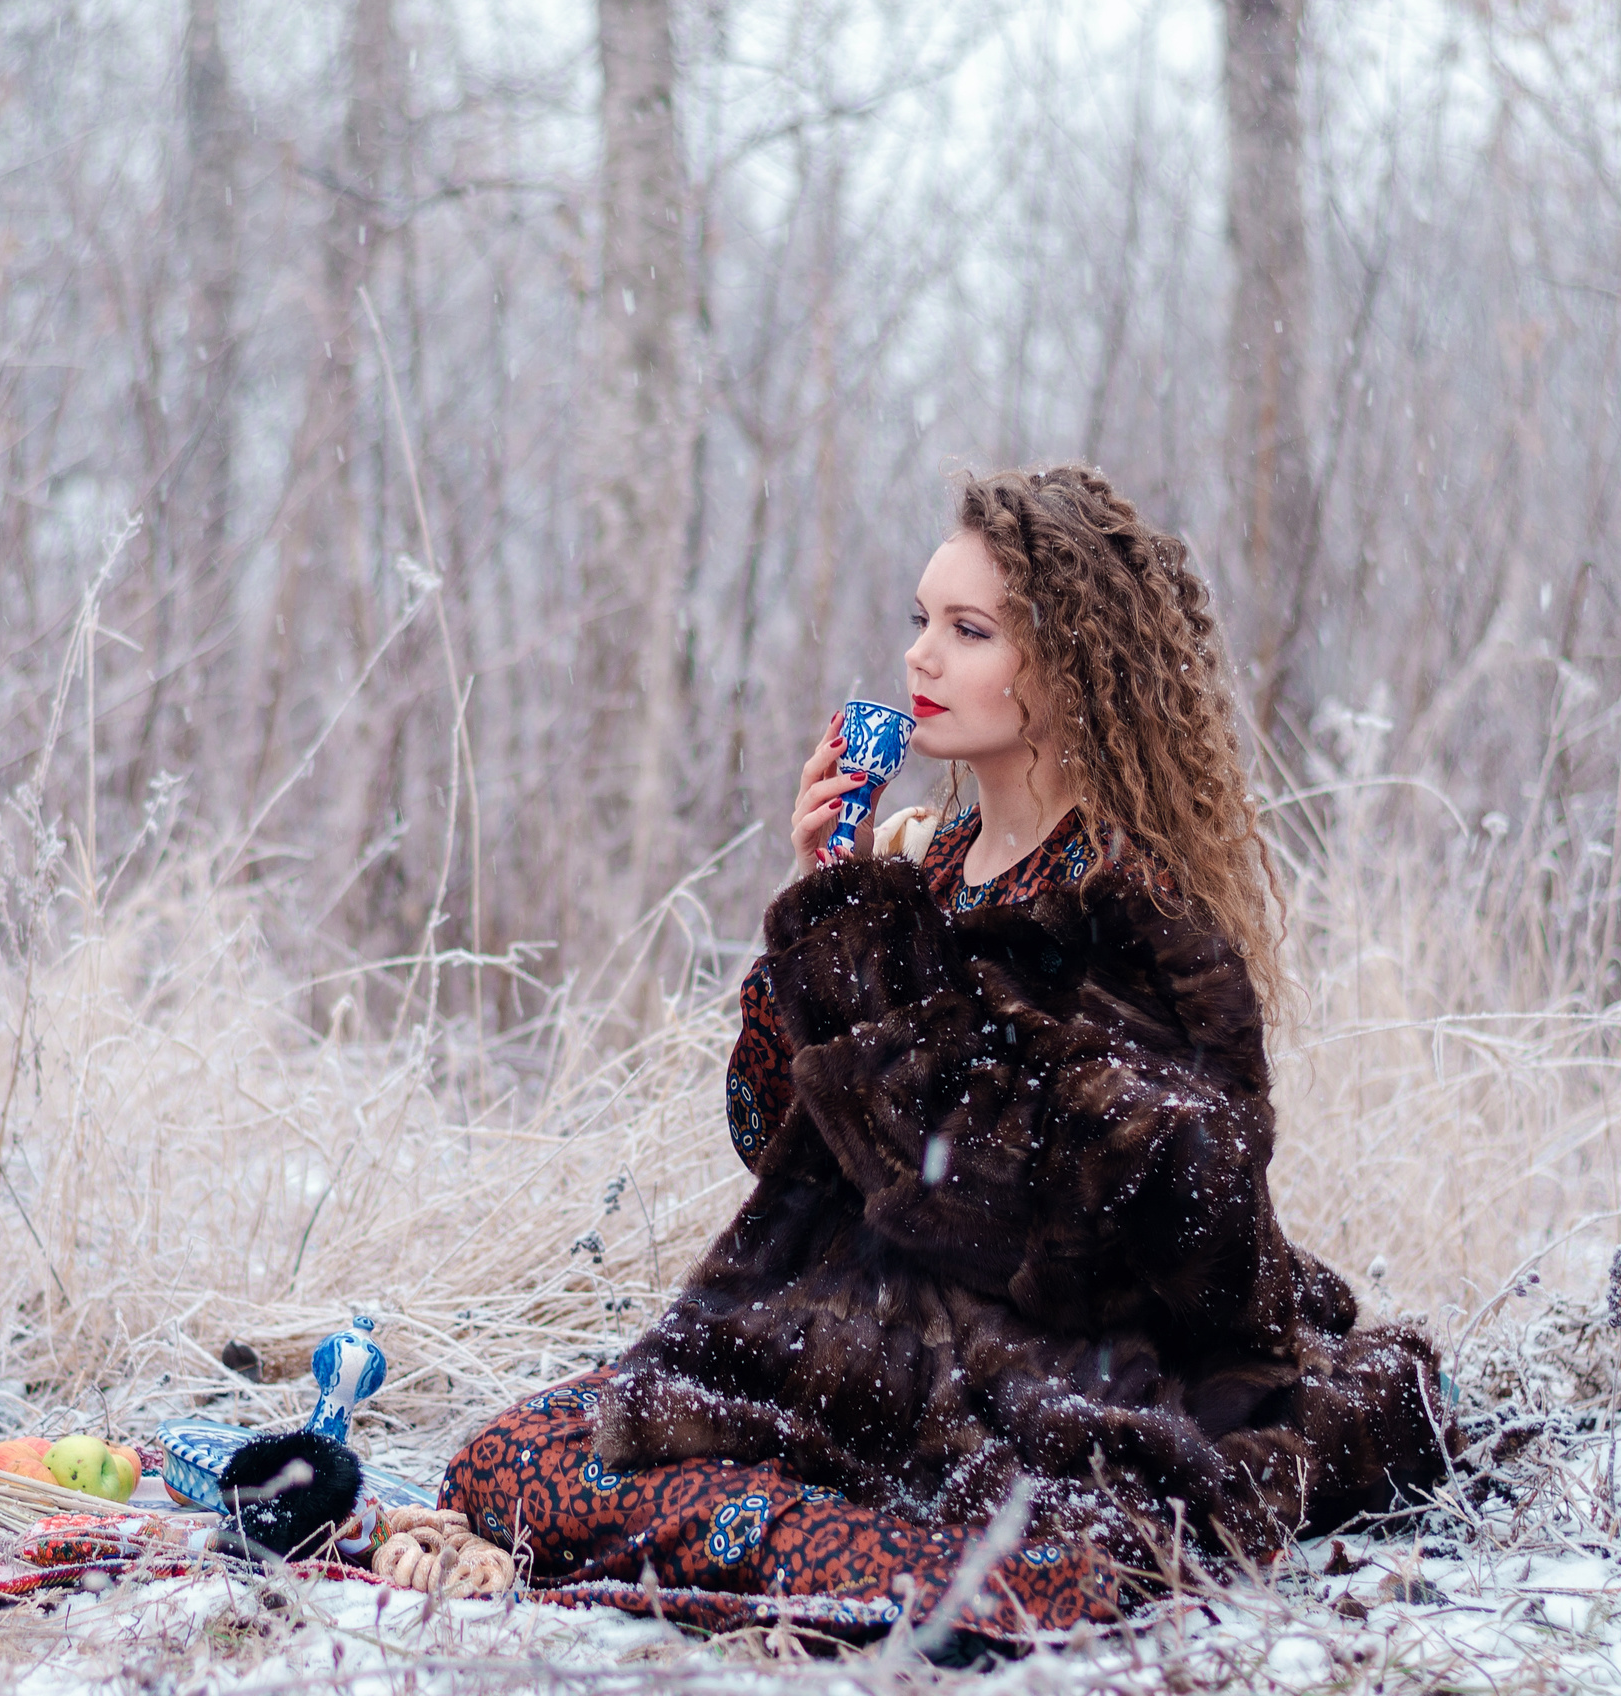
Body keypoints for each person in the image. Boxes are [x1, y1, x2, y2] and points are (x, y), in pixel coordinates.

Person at [440, 466, 1452, 1631]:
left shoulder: (1133, 906)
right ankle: (810, 1536)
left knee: (1038, 1564)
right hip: (842, 1330)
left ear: (1074, 669)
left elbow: (1153, 1200)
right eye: (920, 620)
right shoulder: (917, 863)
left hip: (1037, 1363)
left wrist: (890, 976)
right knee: (510, 1460)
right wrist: (829, 894)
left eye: (968, 630)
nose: (921, 656)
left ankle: (870, 1560)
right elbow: (775, 1139)